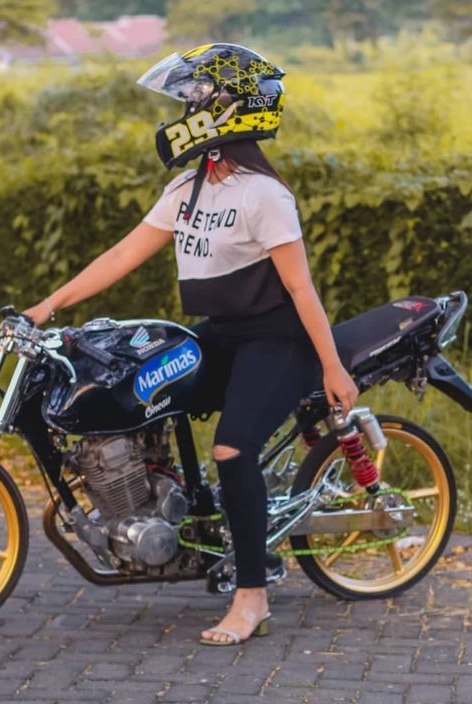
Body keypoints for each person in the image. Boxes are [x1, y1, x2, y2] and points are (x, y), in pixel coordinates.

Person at [23, 44, 358, 646]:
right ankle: (181, 510)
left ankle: (251, 596)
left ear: (229, 111)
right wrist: (50, 305)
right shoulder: (190, 185)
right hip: (224, 334)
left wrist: (332, 365)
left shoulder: (265, 195)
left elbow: (299, 288)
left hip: (278, 340)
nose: (184, 110)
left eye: (195, 100)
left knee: (233, 449)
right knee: (140, 393)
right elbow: (124, 254)